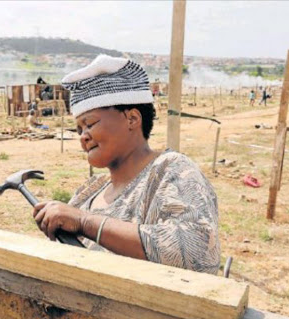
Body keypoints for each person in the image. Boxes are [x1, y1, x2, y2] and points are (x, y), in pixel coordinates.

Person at [32, 54, 220, 275]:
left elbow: (197, 251)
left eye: (90, 124)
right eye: (79, 130)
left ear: (132, 119)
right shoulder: (89, 193)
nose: (83, 136)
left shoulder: (172, 172)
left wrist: (85, 222)